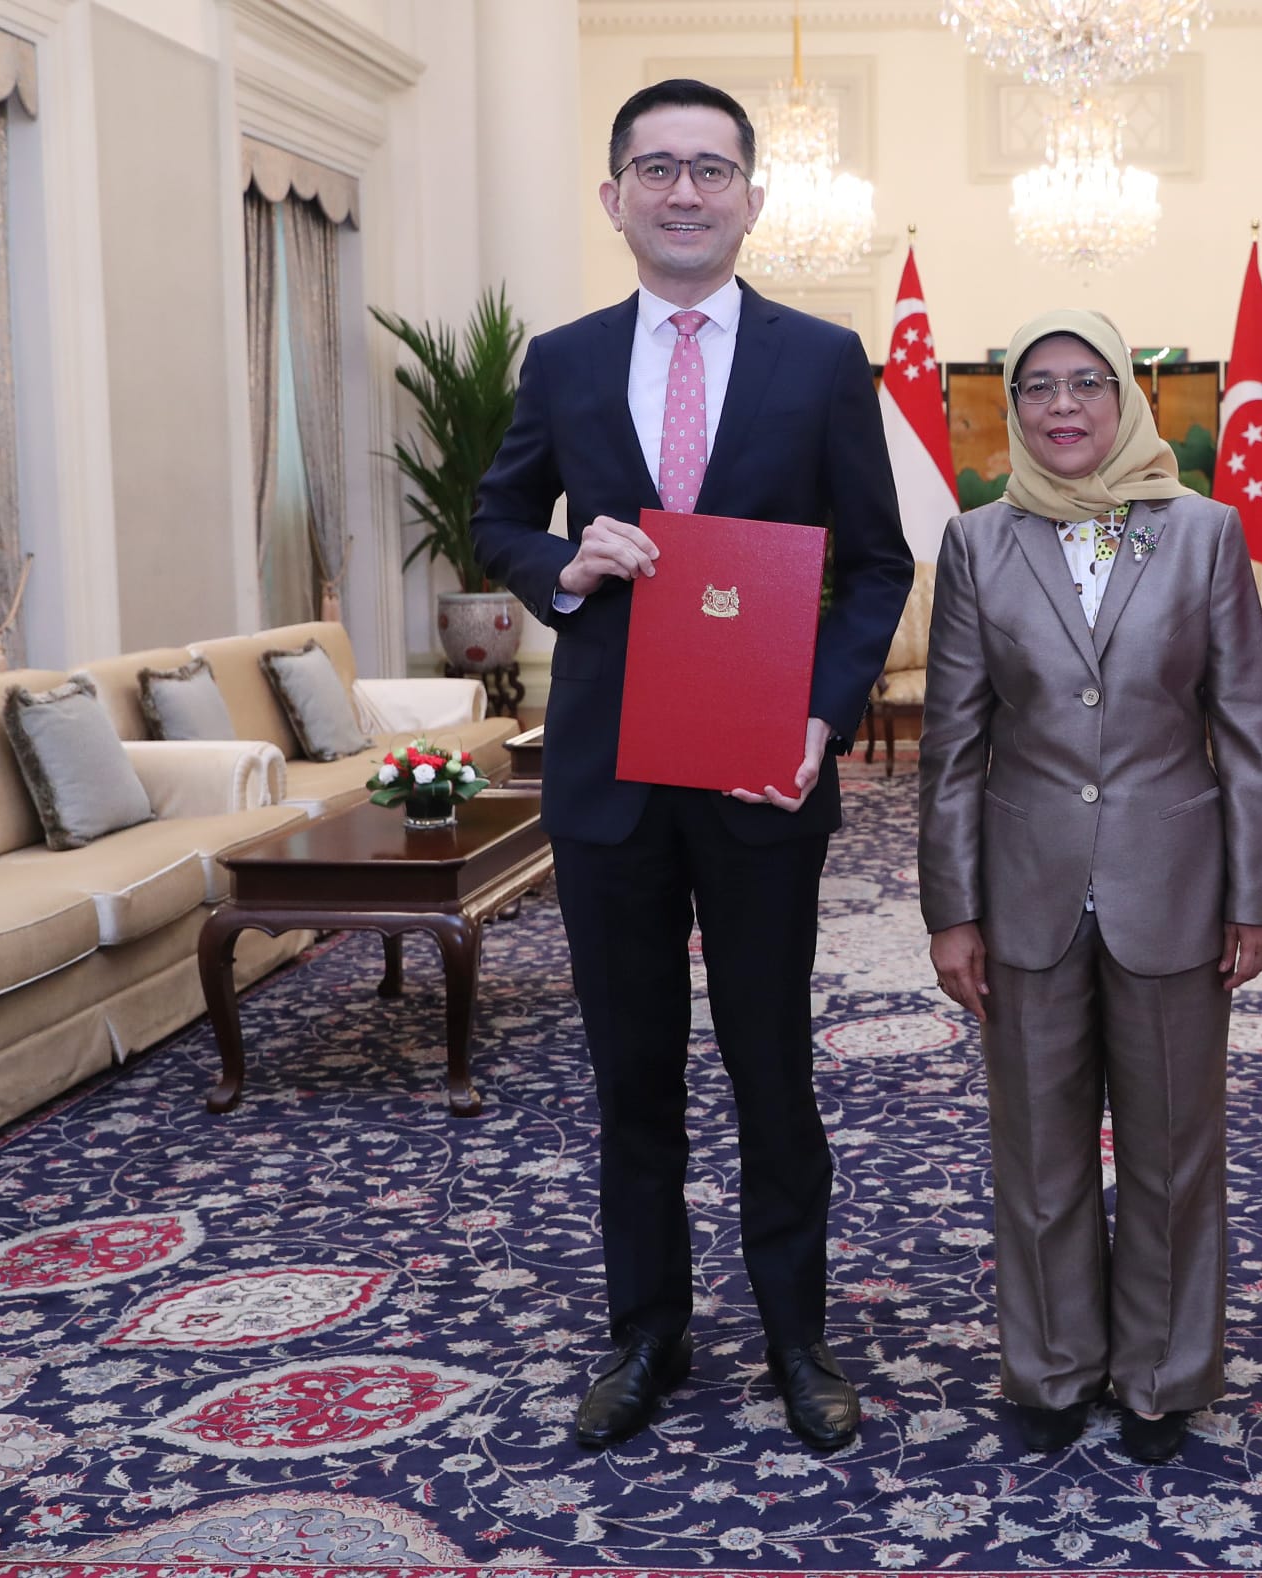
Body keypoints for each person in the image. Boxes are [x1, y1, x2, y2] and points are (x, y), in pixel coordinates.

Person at [472, 79, 913, 1454]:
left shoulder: (823, 357)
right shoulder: (562, 357)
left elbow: (878, 564)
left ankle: (796, 1332)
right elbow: (496, 517)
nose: (681, 191)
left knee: (771, 1063)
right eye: (654, 168)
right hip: (608, 774)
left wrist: (821, 719)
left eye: (708, 169)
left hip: (757, 771)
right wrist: (564, 560)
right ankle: (645, 1329)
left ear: (749, 197)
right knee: (632, 1070)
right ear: (612, 197)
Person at [917, 310, 1262, 1465]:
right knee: (1036, 1148)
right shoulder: (978, 543)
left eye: (1087, 383)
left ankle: (1162, 1377)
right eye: (1039, 386)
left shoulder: (1205, 533)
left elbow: (1245, 726)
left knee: (1175, 1150)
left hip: (1173, 883)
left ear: (1127, 396)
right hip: (1024, 887)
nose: (1064, 405)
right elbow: (952, 744)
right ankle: (1048, 1369)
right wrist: (951, 910)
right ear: (1012, 407)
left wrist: (1254, 893)